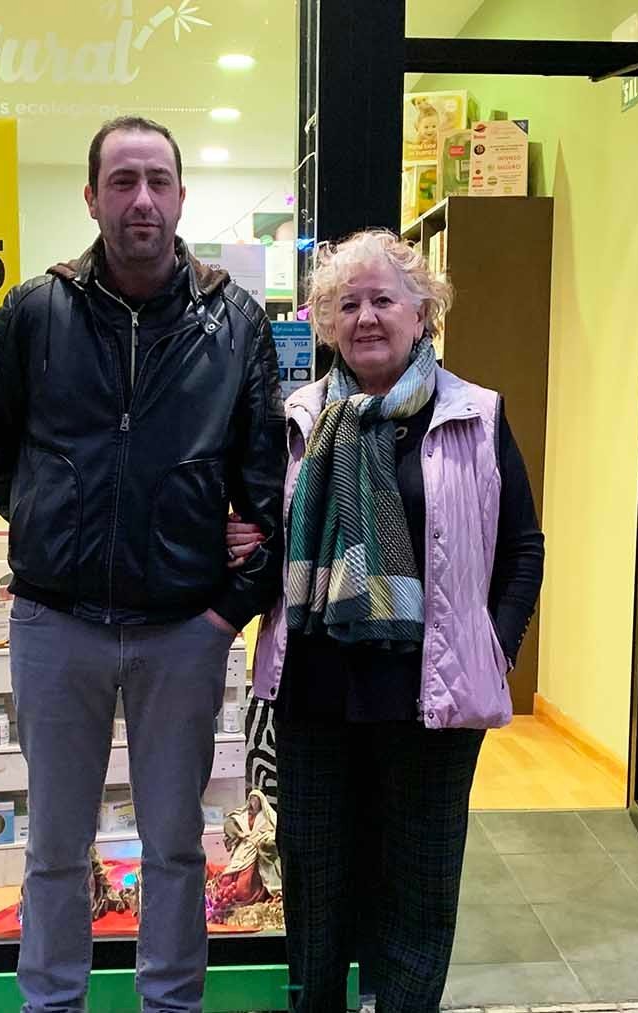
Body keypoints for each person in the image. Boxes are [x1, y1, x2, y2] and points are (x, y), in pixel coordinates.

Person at [0, 116, 285, 1013]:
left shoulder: (236, 321)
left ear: (181, 197)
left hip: (183, 627)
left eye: (159, 181)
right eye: (123, 180)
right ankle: (52, 1002)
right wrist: (46, 518)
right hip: (55, 624)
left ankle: (170, 1003)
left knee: (177, 842)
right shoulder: (35, 311)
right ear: (92, 195)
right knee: (56, 844)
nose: (142, 199)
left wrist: (227, 609)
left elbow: (263, 483)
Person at [235, 229, 545, 1013]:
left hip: (429, 702)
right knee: (315, 882)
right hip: (315, 694)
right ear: (327, 321)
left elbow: (522, 548)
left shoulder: (475, 414)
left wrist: (491, 647)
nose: (366, 316)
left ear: (422, 313)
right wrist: (245, 536)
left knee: (420, 883)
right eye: (348, 303)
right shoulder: (297, 418)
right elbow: (263, 532)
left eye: (384, 300)